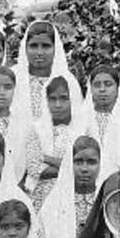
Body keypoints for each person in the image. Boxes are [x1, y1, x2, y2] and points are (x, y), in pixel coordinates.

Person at [41, 135, 107, 238]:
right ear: (68, 164)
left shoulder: (108, 201)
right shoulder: (54, 203)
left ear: (101, 164)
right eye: (78, 162)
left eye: (91, 162)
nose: (84, 168)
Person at [22, 75, 79, 213]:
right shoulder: (36, 129)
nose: (58, 105)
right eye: (53, 99)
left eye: (64, 98)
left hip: (73, 194)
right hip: (42, 196)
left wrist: (47, 158)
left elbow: (84, 166)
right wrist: (70, 165)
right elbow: (34, 168)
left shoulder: (82, 129)